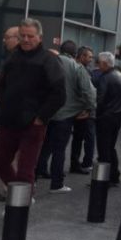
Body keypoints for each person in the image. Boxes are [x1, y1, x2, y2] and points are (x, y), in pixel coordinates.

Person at [0, 18, 66, 202]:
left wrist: (41, 117)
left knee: (25, 168)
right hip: (8, 121)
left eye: (30, 36)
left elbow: (59, 93)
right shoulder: (12, 58)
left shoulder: (49, 60)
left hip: (32, 124)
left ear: (39, 37)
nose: (25, 39)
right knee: (0, 163)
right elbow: (3, 86)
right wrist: (1, 110)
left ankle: (21, 202)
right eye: (22, 35)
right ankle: (19, 193)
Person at [36, 40, 96, 193]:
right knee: (59, 149)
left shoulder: (48, 63)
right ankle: (57, 184)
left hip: (47, 113)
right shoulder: (77, 67)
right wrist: (89, 109)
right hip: (66, 114)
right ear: (75, 54)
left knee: (45, 145)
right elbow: (89, 91)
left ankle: (35, 175)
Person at [93, 52, 121, 186]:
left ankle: (104, 179)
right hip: (117, 116)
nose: (98, 65)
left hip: (105, 117)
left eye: (99, 63)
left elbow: (100, 99)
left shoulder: (105, 78)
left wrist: (97, 114)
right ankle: (114, 175)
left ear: (105, 63)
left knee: (104, 149)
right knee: (111, 147)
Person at [70, 46, 95, 174]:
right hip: (81, 110)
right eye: (89, 57)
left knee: (78, 138)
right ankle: (77, 164)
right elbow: (87, 91)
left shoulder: (84, 69)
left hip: (78, 109)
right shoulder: (79, 69)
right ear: (82, 56)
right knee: (81, 138)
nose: (91, 60)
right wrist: (90, 108)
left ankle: (75, 163)